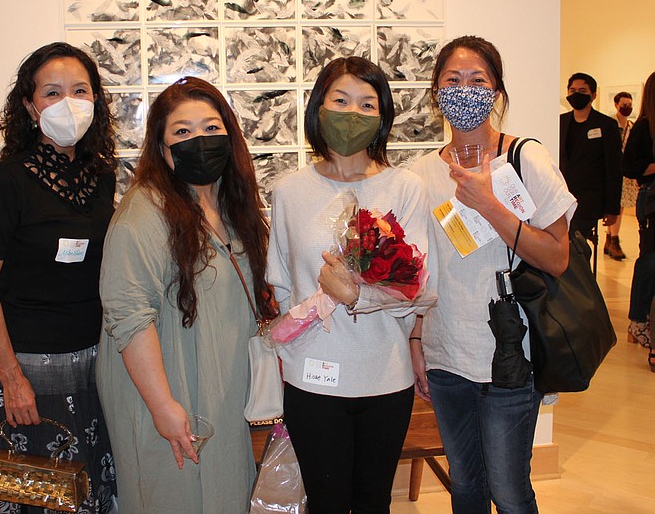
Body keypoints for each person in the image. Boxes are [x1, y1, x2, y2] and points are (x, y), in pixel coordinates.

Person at [411, 35, 576, 514]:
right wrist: (417, 343)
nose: (465, 90)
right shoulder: (421, 173)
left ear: (497, 92)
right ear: (436, 92)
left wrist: (489, 205)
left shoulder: (527, 158)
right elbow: (423, 271)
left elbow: (557, 257)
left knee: (508, 489)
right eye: (452, 80)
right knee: (463, 484)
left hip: (511, 351)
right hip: (445, 354)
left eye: (477, 80)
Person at [267, 56, 437, 514]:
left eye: (367, 104)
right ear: (318, 108)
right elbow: (281, 284)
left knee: (373, 502)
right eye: (340, 100)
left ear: (383, 118)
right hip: (312, 381)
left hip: (385, 377)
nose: (352, 113)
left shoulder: (405, 188)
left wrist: (358, 295)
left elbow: (421, 286)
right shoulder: (289, 191)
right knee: (324, 503)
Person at [96, 77, 274, 513]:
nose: (199, 140)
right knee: (171, 496)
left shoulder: (233, 208)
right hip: (166, 390)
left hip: (221, 389)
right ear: (162, 148)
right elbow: (129, 316)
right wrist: (163, 407)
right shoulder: (143, 213)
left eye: (211, 128)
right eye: (182, 132)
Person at [0, 42, 118, 514]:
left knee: (87, 491)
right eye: (52, 93)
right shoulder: (5, 181)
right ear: (30, 107)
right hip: (26, 368)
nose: (68, 103)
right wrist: (11, 378)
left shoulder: (104, 178)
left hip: (93, 364)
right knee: (26, 491)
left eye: (80, 90)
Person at [559, 72, 622, 251]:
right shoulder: (560, 122)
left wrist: (612, 208)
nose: (576, 94)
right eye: (572, 90)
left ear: (593, 95)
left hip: (590, 200)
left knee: (577, 245)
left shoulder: (606, 125)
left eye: (582, 90)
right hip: (562, 197)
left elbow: (614, 169)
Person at [622, 71, 655, 362]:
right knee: (649, 260)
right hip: (651, 199)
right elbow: (630, 167)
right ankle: (637, 320)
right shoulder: (644, 127)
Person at [604, 91, 636, 260]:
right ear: (616, 105)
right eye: (624, 104)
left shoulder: (631, 126)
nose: (627, 108)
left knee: (621, 206)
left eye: (629, 105)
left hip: (626, 172)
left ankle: (611, 239)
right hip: (613, 170)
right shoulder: (610, 125)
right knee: (615, 205)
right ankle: (613, 239)